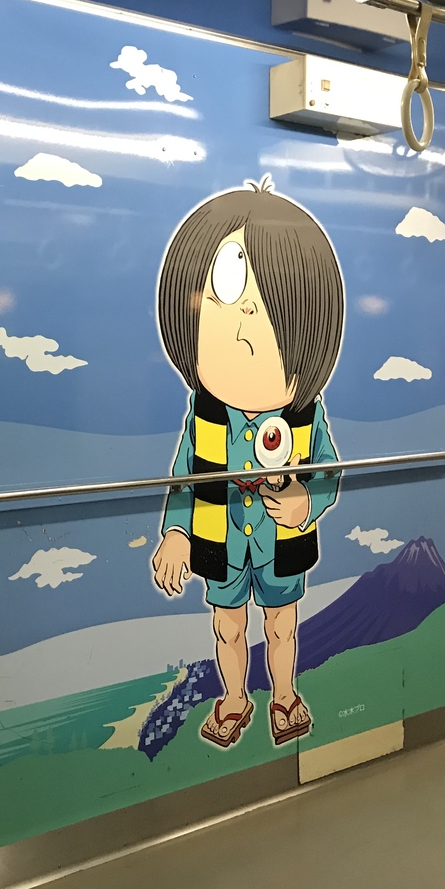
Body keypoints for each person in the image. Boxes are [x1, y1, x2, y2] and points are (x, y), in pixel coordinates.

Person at [152, 176, 344, 748]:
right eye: (216, 313)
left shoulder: (305, 414)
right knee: (228, 627)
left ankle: (284, 697)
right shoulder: (205, 415)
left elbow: (329, 470)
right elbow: (185, 476)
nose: (237, 339)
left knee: (282, 626)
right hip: (222, 542)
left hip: (282, 545)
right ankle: (234, 700)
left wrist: (307, 501)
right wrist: (176, 534)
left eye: (256, 318)